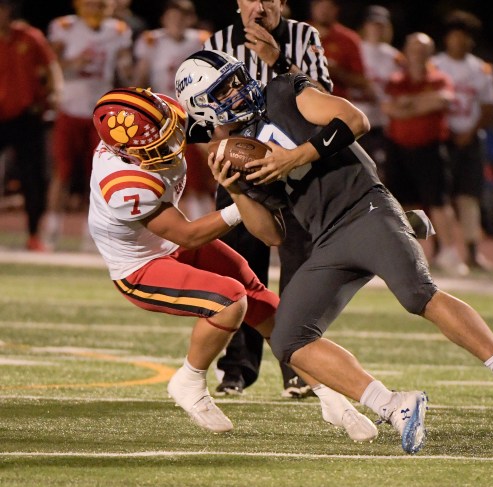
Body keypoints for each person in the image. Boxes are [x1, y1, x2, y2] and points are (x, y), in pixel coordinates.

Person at [175, 49, 493, 455]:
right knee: (288, 339)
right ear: (204, 107)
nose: (237, 88)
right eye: (223, 87)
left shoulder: (282, 91)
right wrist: (236, 191)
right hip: (326, 239)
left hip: (364, 207)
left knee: (416, 293)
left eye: (234, 78)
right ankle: (394, 405)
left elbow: (355, 119)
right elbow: (273, 235)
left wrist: (296, 157)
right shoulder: (232, 154)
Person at [88, 86, 378, 442]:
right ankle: (190, 381)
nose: (172, 146)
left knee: (268, 306)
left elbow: (215, 131)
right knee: (229, 301)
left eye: (171, 133)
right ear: (126, 152)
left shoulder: (164, 121)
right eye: (158, 146)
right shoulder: (123, 183)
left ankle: (327, 393)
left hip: (169, 245)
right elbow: (188, 235)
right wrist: (241, 204)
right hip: (141, 265)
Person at [201, 0, 333, 398]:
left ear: (283, 2)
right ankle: (237, 368)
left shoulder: (304, 36)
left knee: (300, 272)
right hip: (242, 168)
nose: (258, 6)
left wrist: (278, 62)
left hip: (294, 168)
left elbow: (326, 100)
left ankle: (296, 366)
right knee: (240, 270)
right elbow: (202, 109)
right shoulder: (220, 40)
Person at [43, 0, 133, 251]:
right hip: (69, 108)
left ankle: (92, 232)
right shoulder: (64, 26)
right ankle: (52, 229)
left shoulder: (118, 30)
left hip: (101, 114)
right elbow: (50, 66)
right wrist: (74, 64)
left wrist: (127, 71)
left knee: (98, 175)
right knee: (62, 172)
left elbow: (125, 70)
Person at [382, 32, 469, 277]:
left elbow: (441, 101)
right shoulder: (396, 80)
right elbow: (389, 108)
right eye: (413, 48)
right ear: (406, 51)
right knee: (404, 203)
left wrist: (408, 104)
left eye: (423, 49)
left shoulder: (439, 78)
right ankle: (411, 253)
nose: (418, 53)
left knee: (439, 202)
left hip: (430, 148)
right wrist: (418, 105)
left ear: (430, 53)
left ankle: (450, 253)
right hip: (399, 147)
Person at [133, 0, 215, 221]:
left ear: (190, 19)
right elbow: (140, 79)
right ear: (164, 19)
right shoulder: (151, 40)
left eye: (182, 17)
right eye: (172, 17)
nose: (177, 22)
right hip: (162, 116)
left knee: (201, 171)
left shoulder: (201, 40)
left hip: (195, 114)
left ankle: (204, 221)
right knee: (158, 174)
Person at [432, 10, 493, 271]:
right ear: (447, 38)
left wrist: (469, 132)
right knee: (438, 197)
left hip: (470, 139)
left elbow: (489, 107)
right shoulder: (435, 64)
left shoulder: (480, 69)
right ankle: (440, 249)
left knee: (469, 196)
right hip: (440, 138)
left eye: (464, 36)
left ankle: (472, 251)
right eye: (454, 35)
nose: (459, 41)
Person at [0, 0, 63, 251]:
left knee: (34, 176)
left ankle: (34, 234)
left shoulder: (30, 37)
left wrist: (56, 93)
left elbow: (51, 67)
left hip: (27, 115)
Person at [352, 5, 402, 182]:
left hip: (380, 123)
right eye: (373, 23)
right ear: (365, 25)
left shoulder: (394, 56)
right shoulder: (355, 48)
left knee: (378, 172)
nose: (377, 28)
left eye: (381, 24)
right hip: (354, 118)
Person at [308, 0, 371, 100]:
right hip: (301, 102)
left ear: (336, 10)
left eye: (328, 7)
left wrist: (337, 72)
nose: (324, 11)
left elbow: (362, 81)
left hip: (335, 103)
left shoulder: (348, 39)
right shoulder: (298, 33)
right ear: (313, 8)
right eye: (320, 6)